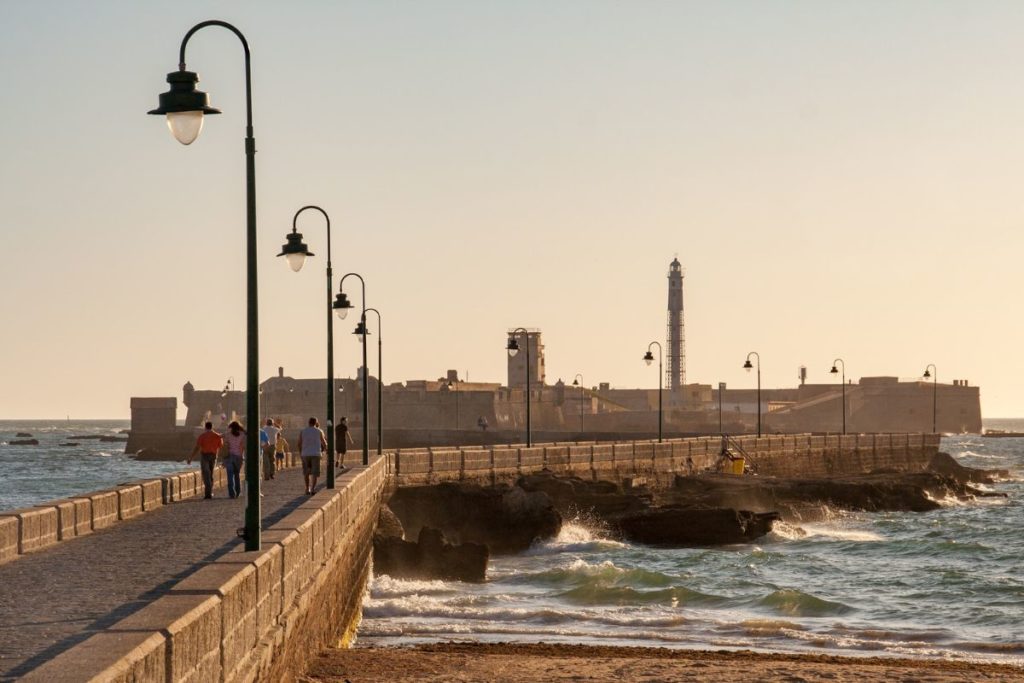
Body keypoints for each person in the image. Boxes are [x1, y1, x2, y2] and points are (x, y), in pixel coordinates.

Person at [188, 421, 223, 499]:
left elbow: (197, 448)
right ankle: (210, 492)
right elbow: (220, 446)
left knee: (206, 474)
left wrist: (191, 458)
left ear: (205, 427)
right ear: (212, 427)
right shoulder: (217, 436)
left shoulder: (202, 436)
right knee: (210, 474)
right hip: (213, 456)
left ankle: (208, 493)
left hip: (204, 456)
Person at [297, 417, 327, 495]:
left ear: (308, 422)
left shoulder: (303, 431)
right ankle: (313, 489)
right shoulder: (319, 431)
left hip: (305, 454)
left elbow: (299, 443)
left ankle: (307, 488)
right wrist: (326, 451)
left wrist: (301, 453)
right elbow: (324, 442)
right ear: (316, 423)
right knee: (315, 473)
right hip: (316, 454)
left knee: (306, 473)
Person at [223, 420, 246, 499]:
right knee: (237, 475)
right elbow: (243, 446)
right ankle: (238, 491)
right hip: (239, 457)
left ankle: (231, 493)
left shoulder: (228, 435)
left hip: (230, 456)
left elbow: (225, 443)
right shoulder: (243, 434)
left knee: (230, 475)